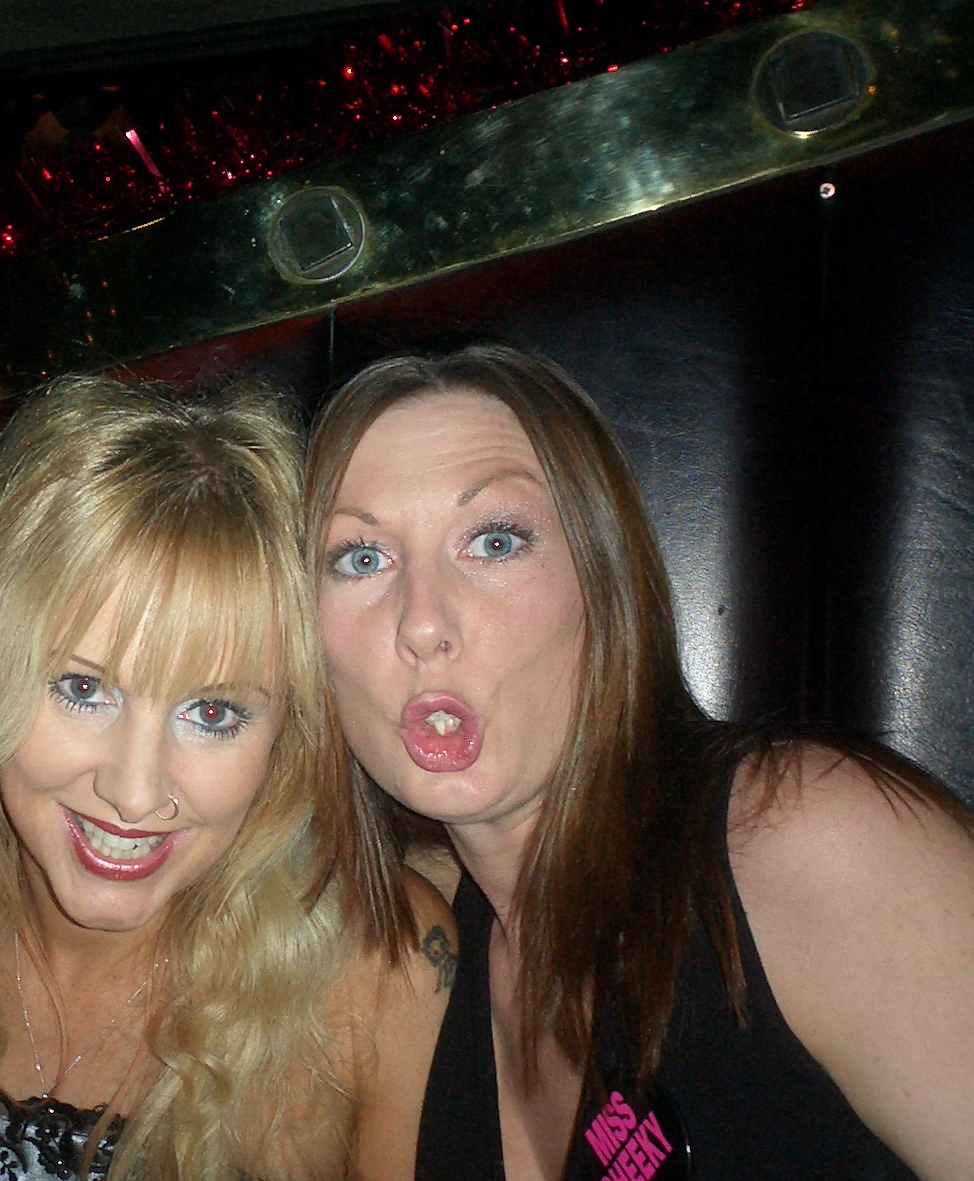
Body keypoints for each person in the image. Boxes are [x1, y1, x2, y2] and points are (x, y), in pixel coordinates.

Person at [306, 345, 974, 1181]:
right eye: (361, 558)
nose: (422, 623)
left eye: (495, 541)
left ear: (605, 583)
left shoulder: (805, 840)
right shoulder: (416, 965)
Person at [0, 375, 453, 1181]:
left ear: (291, 728)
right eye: (82, 689)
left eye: (212, 712)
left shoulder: (379, 968)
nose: (136, 793)